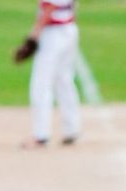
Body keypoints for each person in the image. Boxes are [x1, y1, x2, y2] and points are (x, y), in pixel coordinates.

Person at [15, 0, 82, 148]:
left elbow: (50, 7)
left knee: (41, 83)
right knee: (63, 80)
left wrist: (33, 36)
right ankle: (72, 129)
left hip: (54, 33)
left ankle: (41, 135)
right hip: (69, 28)